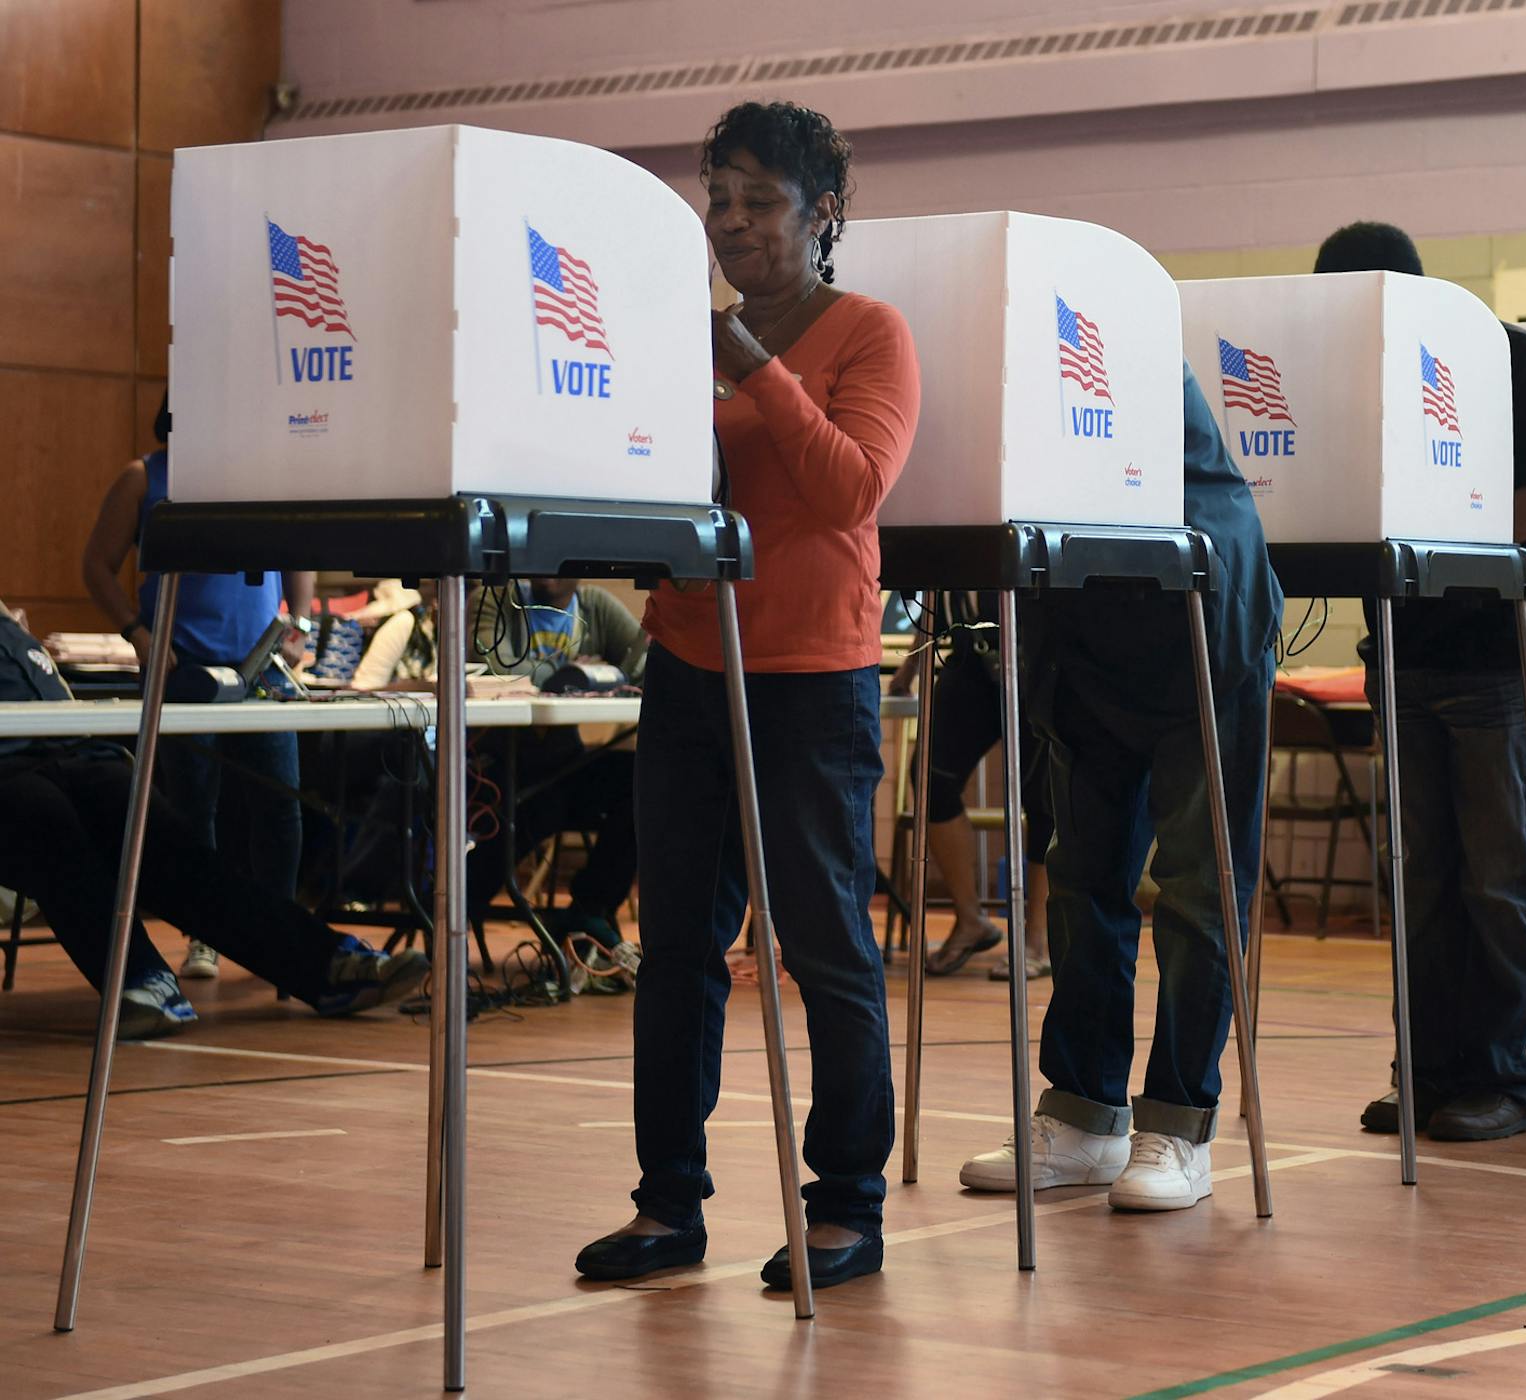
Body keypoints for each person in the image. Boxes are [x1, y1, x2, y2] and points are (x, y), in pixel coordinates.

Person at [574, 101, 918, 1291]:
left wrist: (756, 366)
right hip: (689, 666)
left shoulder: (870, 333)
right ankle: (668, 1200)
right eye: (717, 199)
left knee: (826, 946)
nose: (731, 224)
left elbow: (850, 489)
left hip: (813, 683)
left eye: (758, 201)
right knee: (675, 946)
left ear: (823, 216)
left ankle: (846, 1205)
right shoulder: (675, 333)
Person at [959, 361, 1281, 1213]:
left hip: (1202, 629)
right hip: (1089, 640)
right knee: (1084, 878)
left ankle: (1178, 1123)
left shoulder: (1116, 351)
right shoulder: (988, 353)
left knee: (1199, 888)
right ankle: (1083, 1115)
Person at [1314, 222, 1526, 1143]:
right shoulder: (1348, 380)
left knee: (1499, 876)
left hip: (1502, 656)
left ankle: (1501, 1077)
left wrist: (1441, 540)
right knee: (1422, 877)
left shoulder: (1511, 358)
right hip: (1405, 654)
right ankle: (1426, 1072)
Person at [0, 603, 429, 1038]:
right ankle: (141, 981)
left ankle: (325, 964)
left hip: (73, 752)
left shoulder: (10, 623)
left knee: (167, 842)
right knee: (47, 820)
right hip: (8, 769)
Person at [81, 394, 317, 982]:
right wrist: (137, 634)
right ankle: (205, 937)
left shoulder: (264, 474)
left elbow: (300, 550)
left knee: (281, 806)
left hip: (261, 669)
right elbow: (95, 565)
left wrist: (301, 622)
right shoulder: (144, 478)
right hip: (181, 670)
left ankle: (284, 938)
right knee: (190, 812)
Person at [468, 579, 647, 985]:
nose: (548, 570)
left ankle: (589, 910)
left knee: (641, 782)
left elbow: (642, 661)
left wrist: (607, 672)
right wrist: (568, 673)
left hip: (563, 762)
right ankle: (459, 904)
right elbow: (499, 671)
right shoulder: (495, 598)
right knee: (542, 804)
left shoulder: (595, 605)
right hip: (496, 765)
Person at [887, 591, 1051, 981]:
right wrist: (910, 667)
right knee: (930, 779)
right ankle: (971, 919)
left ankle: (1038, 940)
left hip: (1036, 659)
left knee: (1042, 800)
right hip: (970, 656)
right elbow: (935, 588)